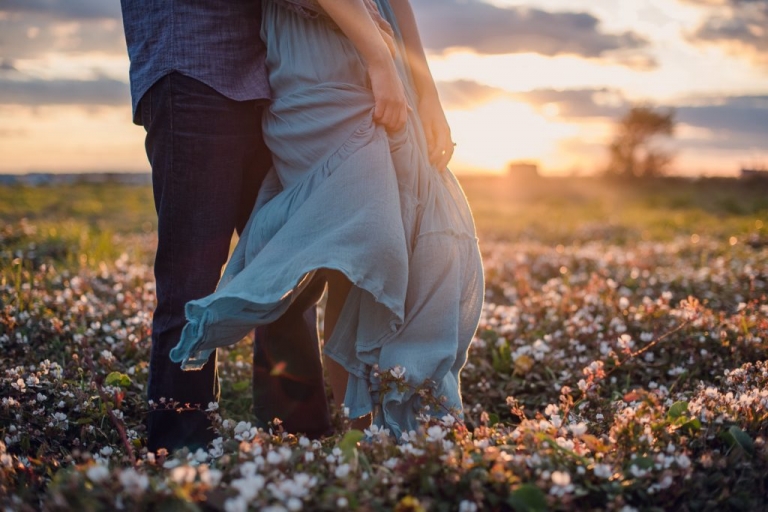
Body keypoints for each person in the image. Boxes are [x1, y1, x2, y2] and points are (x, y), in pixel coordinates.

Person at [169, 0, 485, 438]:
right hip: (321, 59)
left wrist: (425, 90)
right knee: (362, 249)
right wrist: (380, 61)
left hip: (383, 51)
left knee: (401, 243)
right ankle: (370, 431)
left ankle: (388, 433)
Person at [119, 0, 350, 452]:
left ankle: (297, 436)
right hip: (192, 73)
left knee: (287, 270)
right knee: (191, 279)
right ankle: (180, 448)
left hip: (266, 84)